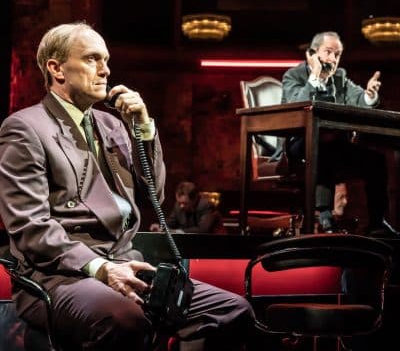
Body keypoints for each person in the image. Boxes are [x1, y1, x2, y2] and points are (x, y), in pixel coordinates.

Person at [0, 22, 256, 350]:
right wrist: (101, 268)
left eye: (106, 60)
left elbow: (154, 195)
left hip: (125, 263)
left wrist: (144, 129)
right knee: (126, 321)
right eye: (92, 59)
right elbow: (31, 227)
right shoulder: (25, 128)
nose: (105, 70)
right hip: (60, 276)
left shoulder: (112, 124)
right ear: (56, 68)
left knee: (233, 311)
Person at [282, 31, 397, 237]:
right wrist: (315, 78)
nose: (333, 59)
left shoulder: (340, 77)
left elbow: (359, 100)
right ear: (312, 54)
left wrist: (369, 96)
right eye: (328, 52)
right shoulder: (293, 75)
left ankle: (377, 223)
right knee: (323, 145)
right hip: (300, 143)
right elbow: (295, 105)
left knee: (376, 161)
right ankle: (323, 214)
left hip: (333, 145)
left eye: (337, 55)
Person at [149, 181, 226, 234]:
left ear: (195, 199)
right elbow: (172, 222)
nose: (181, 206)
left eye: (185, 203)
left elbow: (203, 229)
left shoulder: (206, 205)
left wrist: (178, 232)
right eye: (179, 203)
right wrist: (161, 227)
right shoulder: (178, 206)